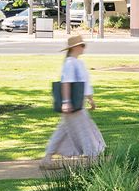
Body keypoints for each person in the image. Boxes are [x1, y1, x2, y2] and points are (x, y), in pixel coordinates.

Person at [42, 33, 106, 168]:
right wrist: (66, 102)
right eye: (82, 45)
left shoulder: (77, 62)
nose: (84, 47)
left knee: (63, 131)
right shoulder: (70, 63)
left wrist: (90, 99)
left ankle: (47, 158)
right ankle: (92, 157)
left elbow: (83, 84)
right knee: (86, 130)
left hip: (77, 103)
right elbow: (66, 82)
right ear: (75, 47)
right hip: (73, 105)